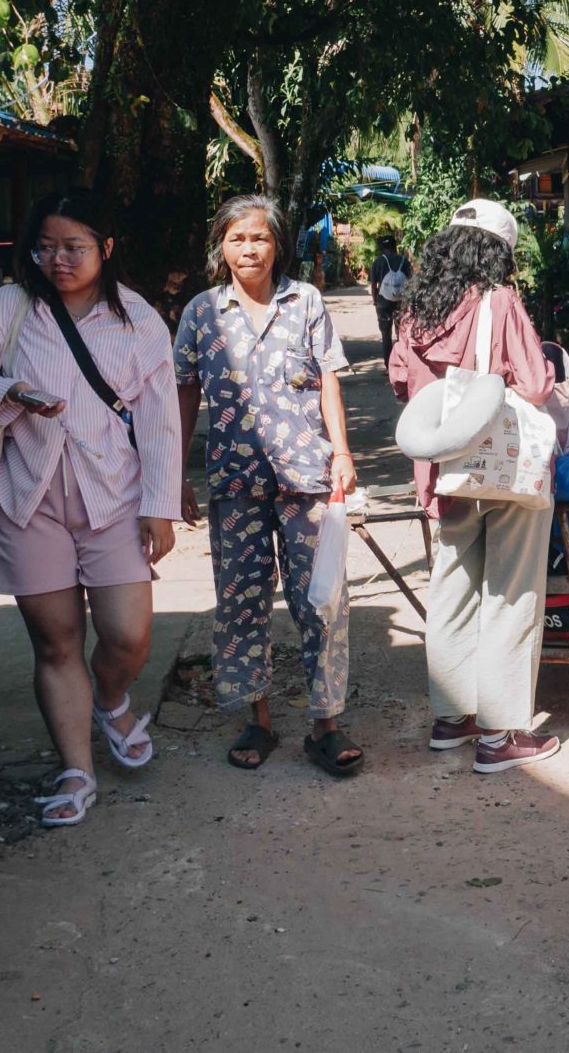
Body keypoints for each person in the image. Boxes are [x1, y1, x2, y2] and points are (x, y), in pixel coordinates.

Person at [0, 190, 183, 828]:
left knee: (128, 633)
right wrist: (5, 390)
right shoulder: (8, 308)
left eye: (74, 247)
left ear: (106, 248)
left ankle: (112, 698)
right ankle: (76, 768)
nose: (58, 260)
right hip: (26, 497)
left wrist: (160, 505)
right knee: (56, 641)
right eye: (46, 246)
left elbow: (158, 421)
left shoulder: (138, 319)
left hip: (115, 499)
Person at [175, 196, 363, 777]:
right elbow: (185, 392)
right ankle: (257, 719)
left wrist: (343, 453)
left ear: (277, 243)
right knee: (240, 603)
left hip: (306, 476)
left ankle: (325, 726)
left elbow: (329, 378)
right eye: (236, 239)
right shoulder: (201, 313)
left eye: (259, 238)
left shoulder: (304, 301)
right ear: (220, 247)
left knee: (322, 600)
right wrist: (175, 471)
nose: (249, 249)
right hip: (233, 481)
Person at [387, 200, 563, 773]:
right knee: (510, 593)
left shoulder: (412, 310)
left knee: (452, 588)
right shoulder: (499, 302)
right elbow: (535, 383)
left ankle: (452, 719)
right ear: (499, 252)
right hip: (502, 473)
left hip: (443, 471)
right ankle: (499, 735)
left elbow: (400, 385)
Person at [368, 232, 412, 356]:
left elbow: (373, 285)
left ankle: (388, 366)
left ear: (382, 248)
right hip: (401, 302)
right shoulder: (404, 261)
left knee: (386, 334)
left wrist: (375, 300)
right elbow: (411, 282)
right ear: (395, 247)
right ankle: (402, 362)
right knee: (401, 333)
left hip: (383, 302)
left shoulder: (378, 262)